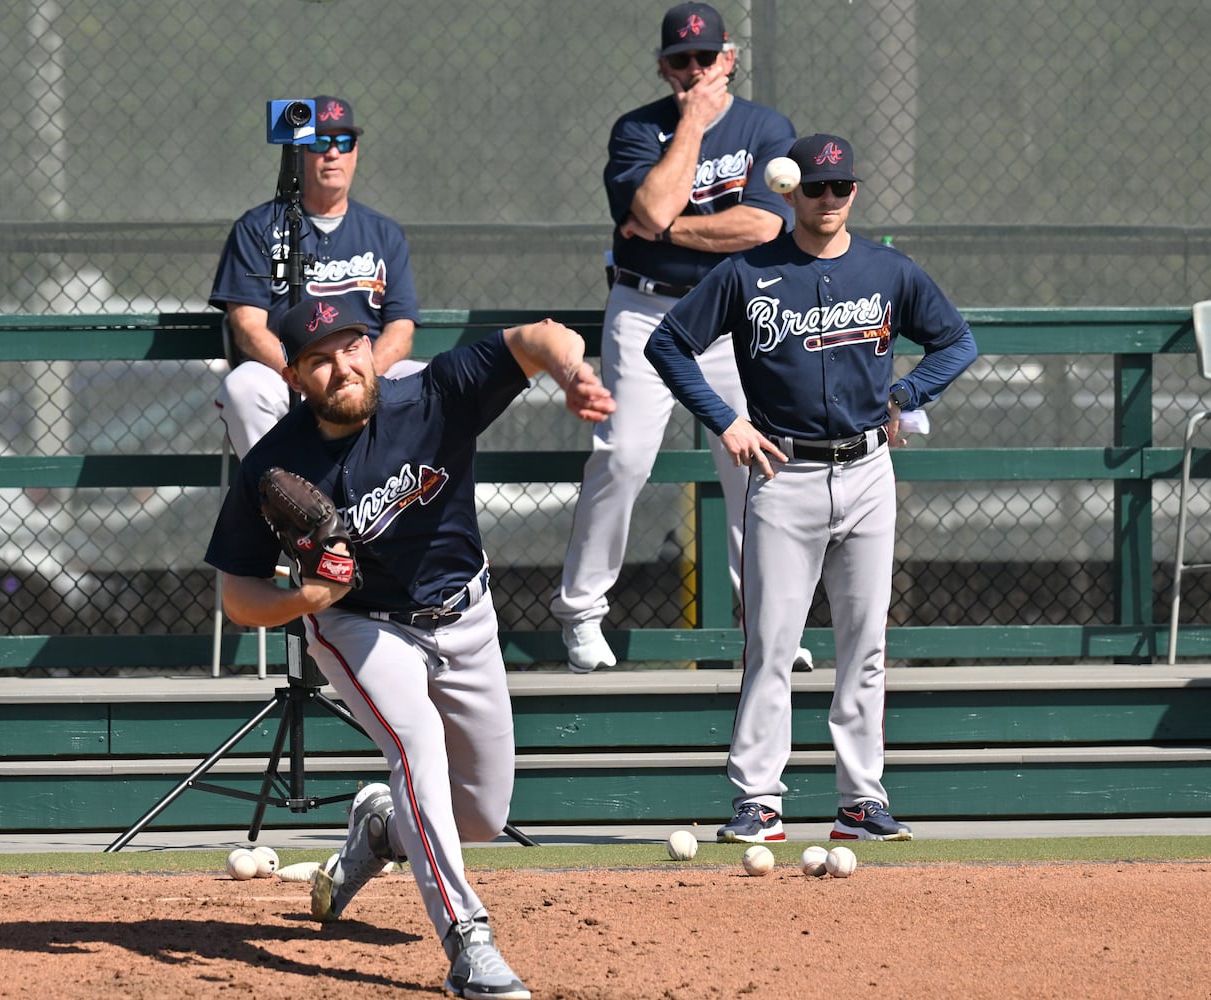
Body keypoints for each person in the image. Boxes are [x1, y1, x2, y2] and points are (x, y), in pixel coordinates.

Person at [205, 296, 615, 999]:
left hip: (465, 613)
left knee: (481, 816)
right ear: (295, 377)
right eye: (319, 359)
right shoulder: (275, 465)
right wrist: (304, 602)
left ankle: (382, 829)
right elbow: (236, 595)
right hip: (362, 625)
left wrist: (572, 371)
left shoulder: (433, 394)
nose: (342, 367)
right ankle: (468, 941)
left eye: (351, 347)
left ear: (371, 349)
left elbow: (540, 336)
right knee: (414, 744)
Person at [644, 133, 978, 843]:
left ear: (853, 192)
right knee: (770, 643)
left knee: (865, 643)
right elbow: (666, 342)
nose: (828, 199)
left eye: (840, 188)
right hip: (783, 472)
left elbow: (957, 341)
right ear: (790, 190)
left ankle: (860, 800)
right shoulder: (747, 272)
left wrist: (909, 392)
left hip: (865, 473)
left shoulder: (886, 270)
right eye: (816, 188)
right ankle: (758, 800)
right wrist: (724, 420)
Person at [551, 2, 809, 673]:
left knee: (756, 465)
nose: (692, 70)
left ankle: (769, 629)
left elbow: (761, 228)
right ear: (662, 67)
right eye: (678, 60)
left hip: (735, 311)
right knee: (623, 458)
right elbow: (651, 203)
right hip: (646, 309)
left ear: (728, 58)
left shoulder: (765, 127)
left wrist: (664, 231)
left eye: (704, 57)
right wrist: (691, 126)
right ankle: (580, 613)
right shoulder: (637, 129)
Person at [209, 95, 421, 459]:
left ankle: (393, 506)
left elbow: (400, 329)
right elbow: (247, 326)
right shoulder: (258, 227)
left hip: (364, 372)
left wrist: (359, 376)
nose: (333, 153)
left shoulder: (384, 233)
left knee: (426, 384)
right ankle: (283, 503)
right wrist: (303, 376)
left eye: (344, 142)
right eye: (320, 142)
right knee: (243, 388)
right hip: (288, 374)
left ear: (355, 152)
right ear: (299, 152)